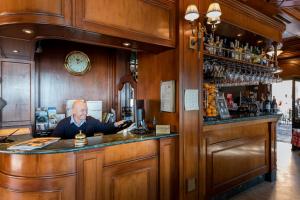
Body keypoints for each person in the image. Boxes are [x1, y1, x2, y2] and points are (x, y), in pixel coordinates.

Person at [52, 100, 125, 139]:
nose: (85, 113)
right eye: (82, 110)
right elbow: (53, 141)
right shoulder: (63, 124)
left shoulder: (91, 120)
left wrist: (116, 124)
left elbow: (104, 127)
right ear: (73, 111)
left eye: (86, 110)